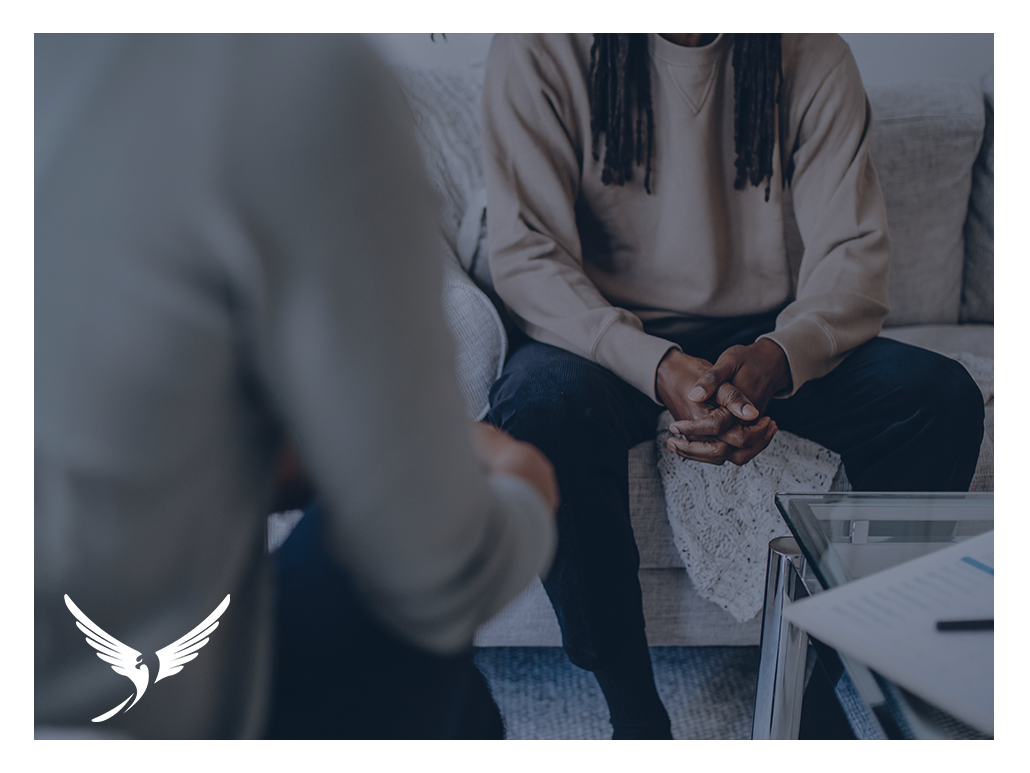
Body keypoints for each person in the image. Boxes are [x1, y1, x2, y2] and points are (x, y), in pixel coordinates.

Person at [35, 34, 558, 739]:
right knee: (427, 646)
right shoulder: (288, 77)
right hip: (126, 720)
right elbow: (438, 573)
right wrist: (525, 485)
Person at [481, 33, 984, 739]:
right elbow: (528, 254)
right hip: (601, 334)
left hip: (761, 336)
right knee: (540, 410)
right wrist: (655, 364)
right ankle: (635, 716)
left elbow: (853, 257)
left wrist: (781, 356)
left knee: (941, 400)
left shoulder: (811, 53)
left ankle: (814, 688)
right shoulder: (541, 45)